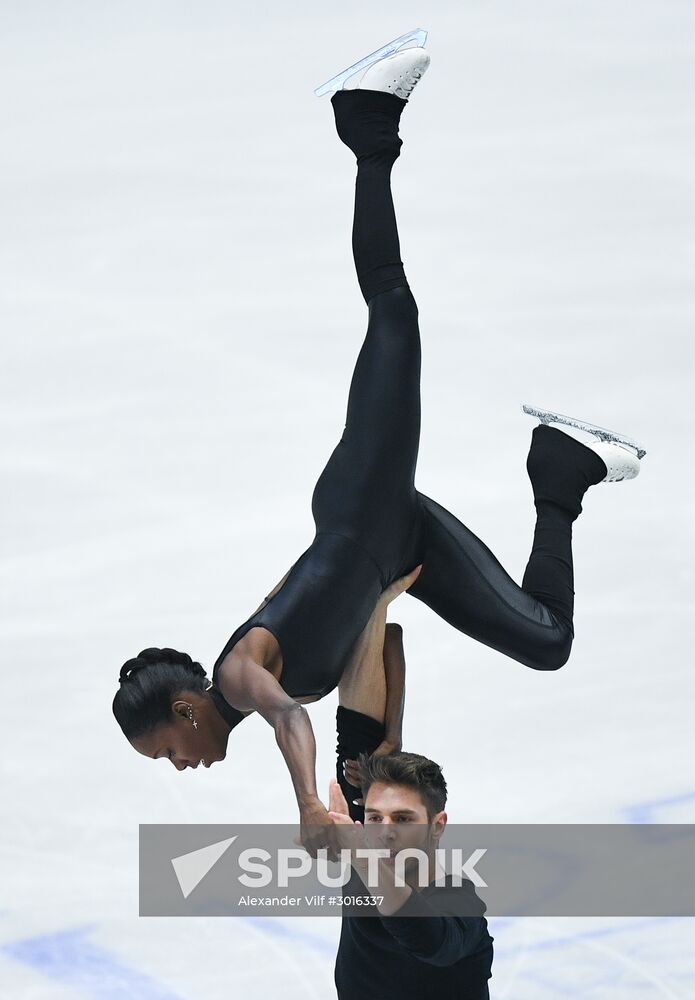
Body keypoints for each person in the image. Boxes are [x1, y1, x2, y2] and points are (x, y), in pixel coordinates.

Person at [113, 44, 643, 852]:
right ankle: (560, 469)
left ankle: (365, 124)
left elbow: (290, 716)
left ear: (184, 711)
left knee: (393, 313)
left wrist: (307, 806)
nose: (181, 766)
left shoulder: (236, 677)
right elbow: (378, 640)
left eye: (168, 753)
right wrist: (380, 645)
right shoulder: (261, 683)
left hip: (363, 503)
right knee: (545, 643)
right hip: (398, 553)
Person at [331, 590, 494, 999]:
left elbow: (425, 938)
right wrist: (373, 595)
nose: (385, 831)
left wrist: (362, 861)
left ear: (437, 826)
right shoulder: (367, 858)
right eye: (374, 818)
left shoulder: (461, 906)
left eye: (403, 819)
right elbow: (386, 642)